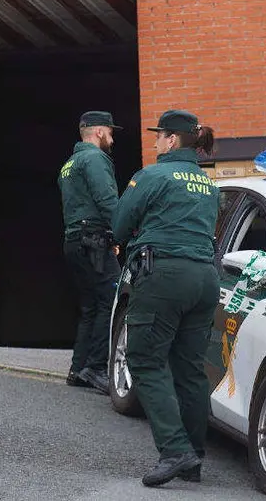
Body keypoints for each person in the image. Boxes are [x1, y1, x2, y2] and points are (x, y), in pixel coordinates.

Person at [111, 109, 219, 486]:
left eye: (159, 136)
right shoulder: (210, 186)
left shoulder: (152, 175)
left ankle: (175, 451)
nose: (156, 141)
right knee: (189, 368)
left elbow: (120, 225)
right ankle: (193, 458)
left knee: (144, 358)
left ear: (172, 140)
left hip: (164, 276)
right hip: (206, 279)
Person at [57, 111, 123, 394]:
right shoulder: (95, 159)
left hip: (75, 241)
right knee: (110, 302)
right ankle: (96, 369)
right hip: (94, 242)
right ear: (98, 132)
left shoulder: (69, 164)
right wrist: (124, 230)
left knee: (90, 306)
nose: (112, 138)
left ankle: (78, 369)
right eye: (110, 132)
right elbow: (107, 200)